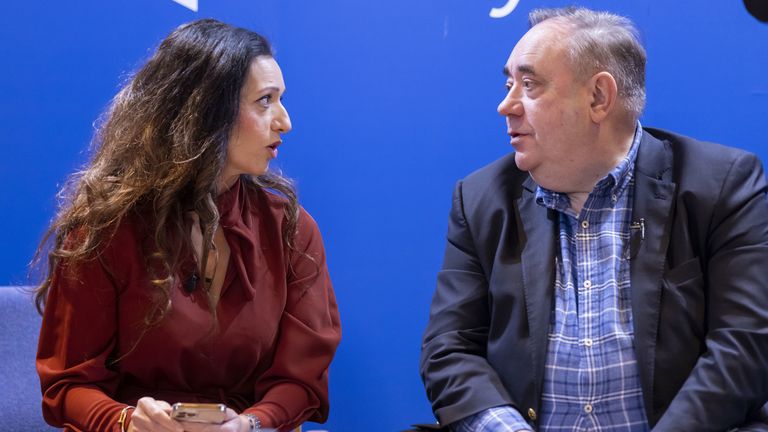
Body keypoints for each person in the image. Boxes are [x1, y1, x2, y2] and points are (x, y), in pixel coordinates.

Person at [420, 6, 768, 432]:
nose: (505, 105)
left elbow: (745, 344)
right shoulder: (480, 200)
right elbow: (449, 351)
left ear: (599, 97)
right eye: (509, 83)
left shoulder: (720, 185)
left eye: (529, 85)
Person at [33, 19, 341, 432]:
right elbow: (68, 385)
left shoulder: (292, 230)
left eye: (280, 99)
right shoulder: (105, 229)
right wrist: (126, 421)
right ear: (205, 112)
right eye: (265, 101)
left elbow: (300, 381)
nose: (285, 122)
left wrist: (251, 423)